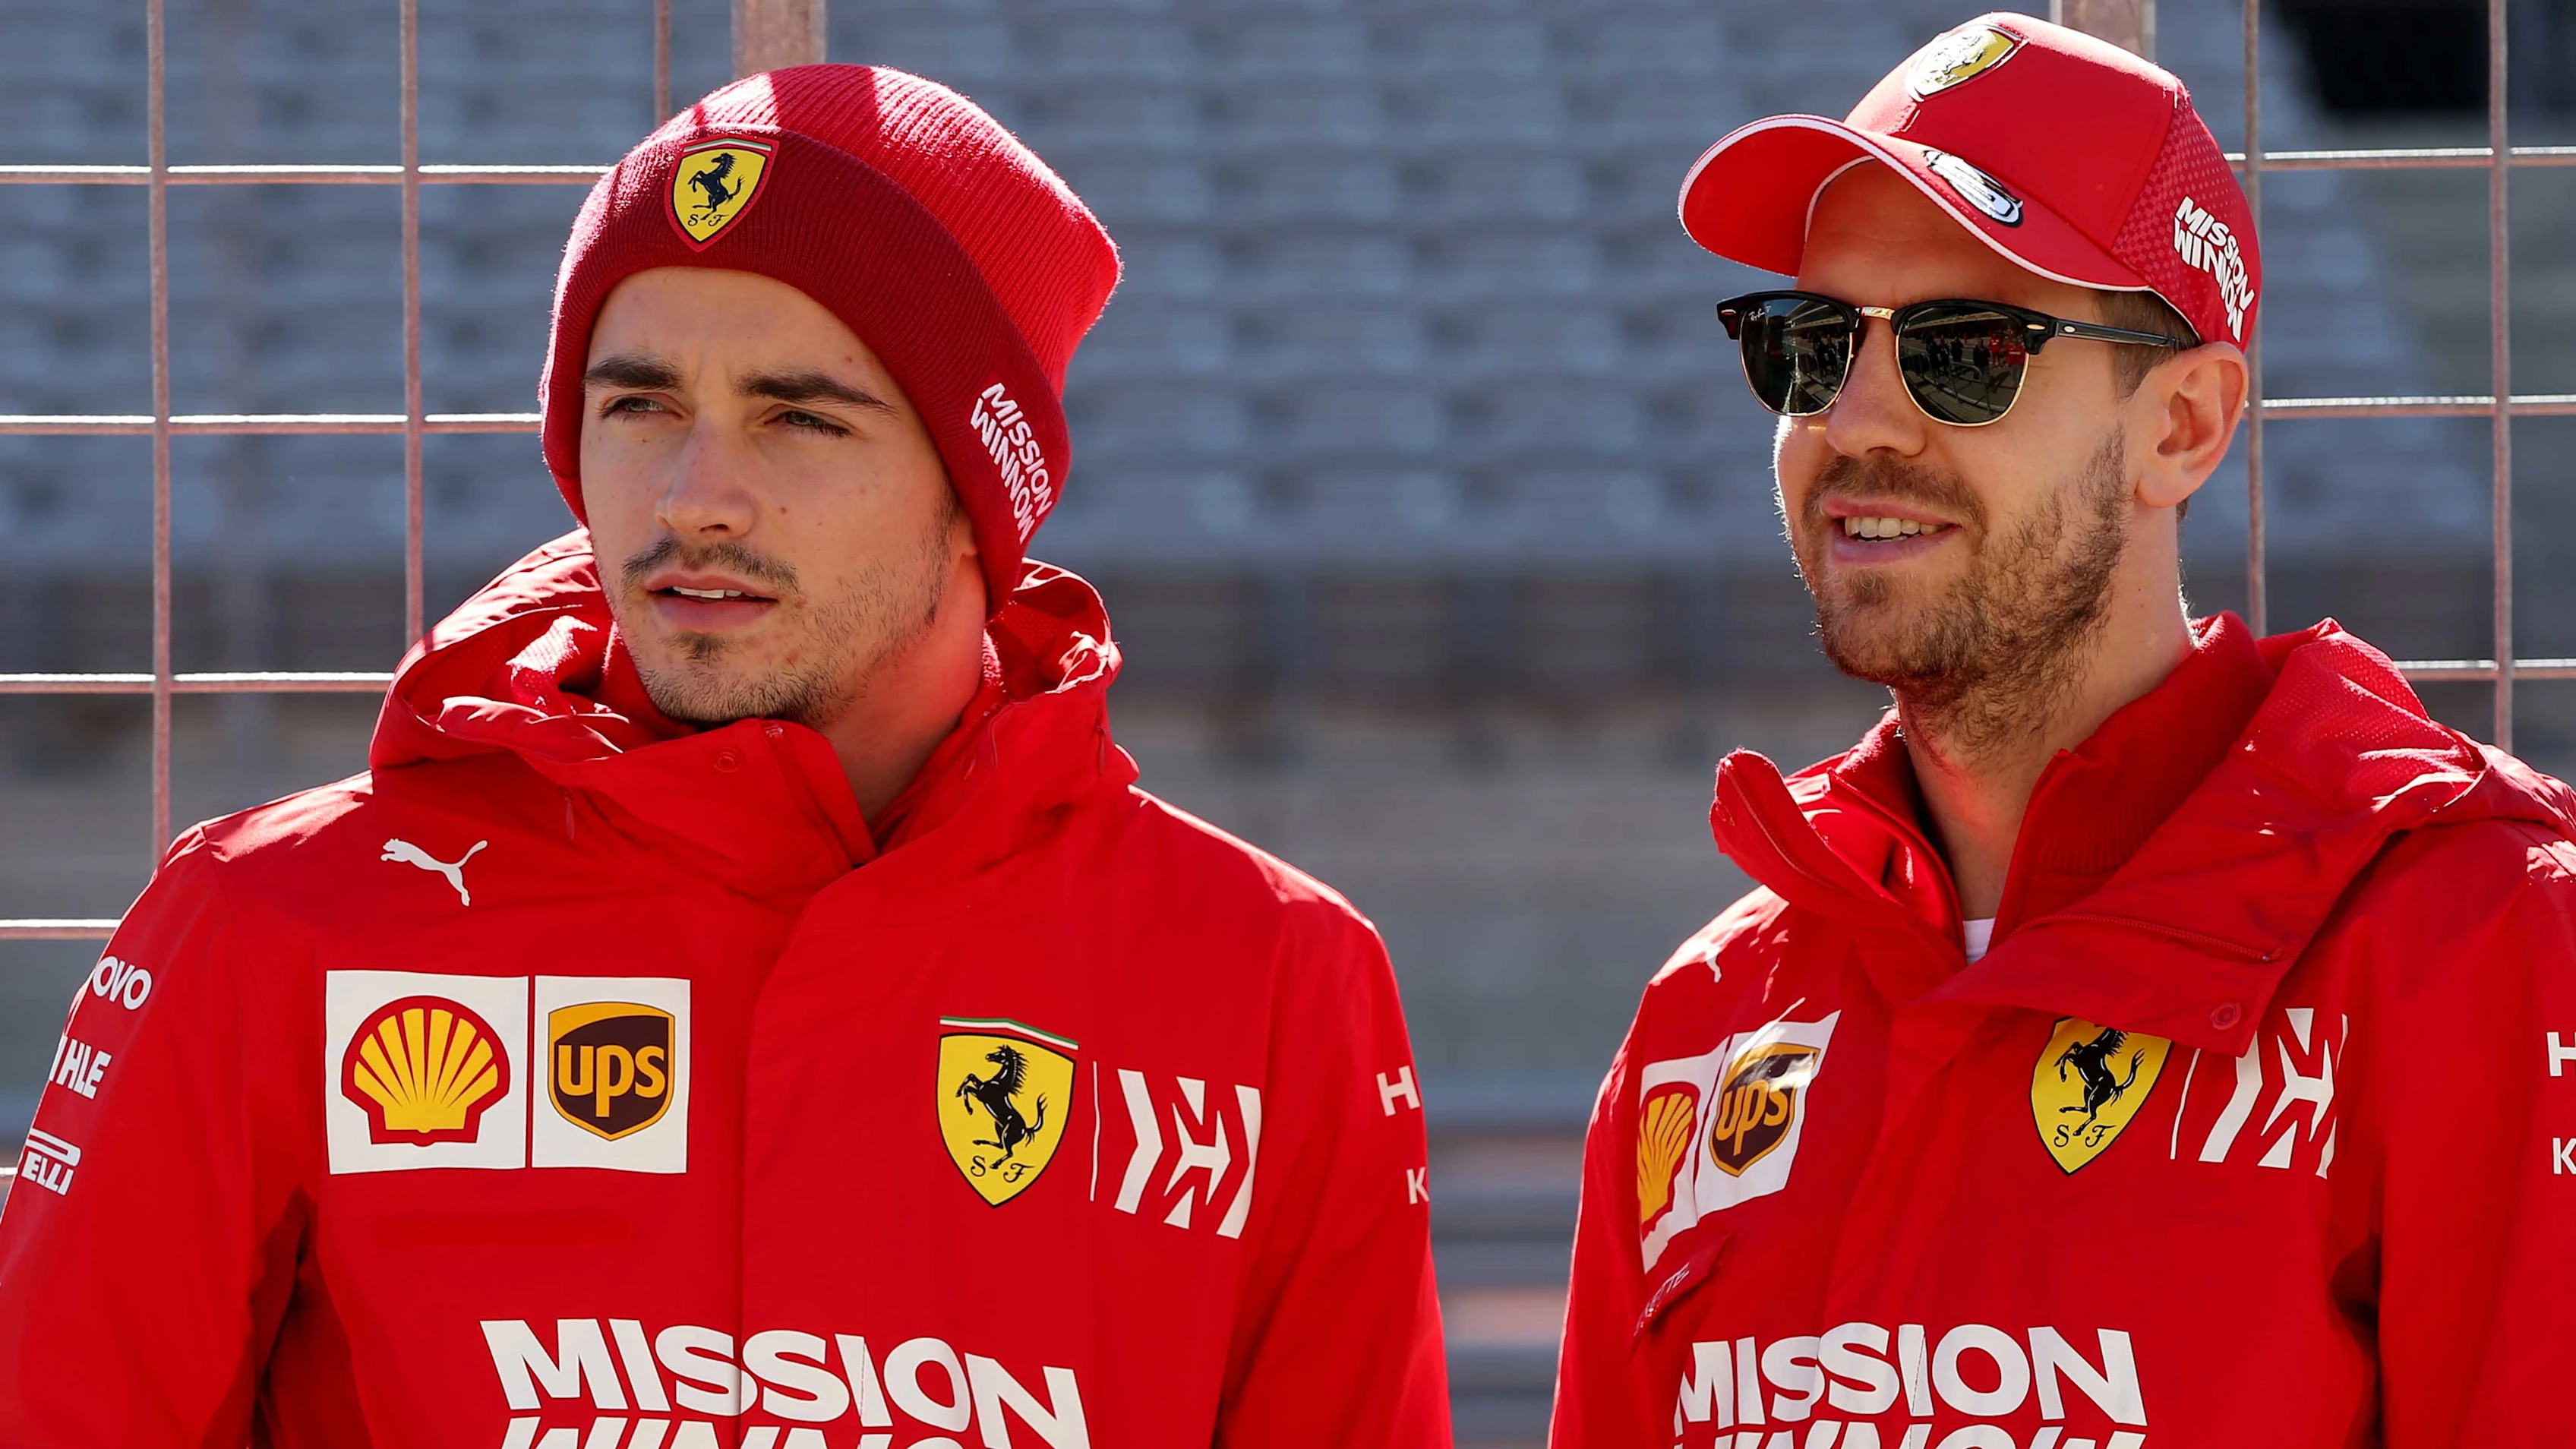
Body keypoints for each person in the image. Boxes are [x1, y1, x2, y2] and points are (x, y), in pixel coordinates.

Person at [0, 65, 1448, 1448]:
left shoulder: (1268, 978)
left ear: (980, 497)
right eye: (639, 406)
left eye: (800, 418)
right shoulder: (275, 922)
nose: (696, 496)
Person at [1550, 15, 2575, 1447]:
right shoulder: (1706, 1016)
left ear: (2183, 429)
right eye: (1812, 340)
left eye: (1967, 350)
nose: (1859, 419)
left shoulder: (2478, 942)